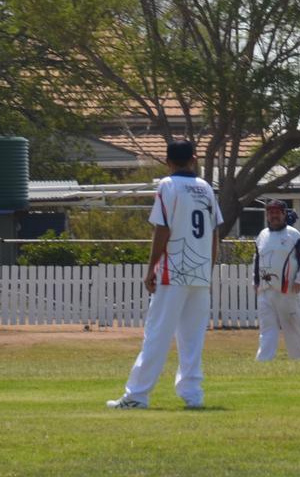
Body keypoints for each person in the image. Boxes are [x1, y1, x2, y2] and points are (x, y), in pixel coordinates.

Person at [108, 140, 222, 409]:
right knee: (192, 338)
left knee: (157, 334)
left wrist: (151, 268)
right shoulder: (206, 188)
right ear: (194, 159)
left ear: (168, 161)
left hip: (174, 271)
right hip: (200, 272)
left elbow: (162, 229)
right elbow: (215, 231)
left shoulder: (168, 185)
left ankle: (137, 395)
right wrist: (209, 268)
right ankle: (193, 394)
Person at [253, 200, 300, 361]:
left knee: (292, 328)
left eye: (277, 213)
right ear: (267, 215)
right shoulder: (262, 235)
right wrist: (255, 281)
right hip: (265, 291)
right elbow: (257, 260)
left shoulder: (293, 235)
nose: (274, 216)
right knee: (267, 329)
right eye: (271, 213)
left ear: (284, 214)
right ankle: (264, 360)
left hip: (288, 291)